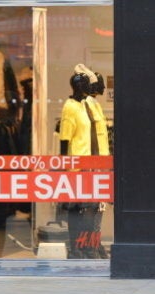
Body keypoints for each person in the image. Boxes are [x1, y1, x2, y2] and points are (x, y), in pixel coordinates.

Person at [59, 64, 109, 259]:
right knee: (80, 210)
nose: (93, 89)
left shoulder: (88, 105)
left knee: (95, 209)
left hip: (96, 164)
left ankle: (91, 245)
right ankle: (78, 247)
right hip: (79, 166)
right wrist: (63, 166)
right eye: (88, 85)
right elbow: (64, 139)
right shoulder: (70, 107)